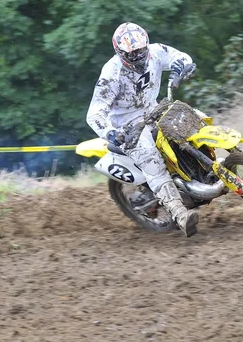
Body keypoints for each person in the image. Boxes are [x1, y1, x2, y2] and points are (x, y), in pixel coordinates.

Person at [86, 22, 200, 237]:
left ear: (146, 45)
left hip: (154, 109)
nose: (138, 57)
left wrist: (182, 66)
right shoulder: (111, 73)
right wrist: (111, 133)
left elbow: (180, 56)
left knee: (196, 119)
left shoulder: (156, 52)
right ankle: (180, 215)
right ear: (120, 53)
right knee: (150, 159)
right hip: (128, 126)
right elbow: (95, 112)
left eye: (140, 51)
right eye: (132, 54)